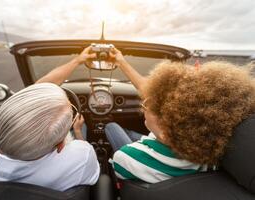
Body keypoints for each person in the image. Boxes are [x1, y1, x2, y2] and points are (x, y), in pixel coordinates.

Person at [105, 48, 255, 183]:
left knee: (112, 127)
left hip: (143, 152)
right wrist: (120, 61)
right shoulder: (211, 158)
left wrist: (79, 133)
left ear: (164, 128)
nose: (144, 102)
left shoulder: (125, 158)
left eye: (149, 102)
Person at [0, 47, 100, 191]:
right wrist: (77, 131)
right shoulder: (81, 157)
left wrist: (78, 60)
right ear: (60, 145)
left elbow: (34, 91)